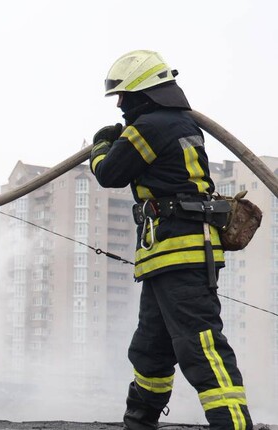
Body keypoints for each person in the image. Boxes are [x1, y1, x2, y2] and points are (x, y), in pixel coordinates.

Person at [89, 50, 252, 430]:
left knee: (202, 349)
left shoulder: (152, 126)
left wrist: (102, 145)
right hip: (167, 257)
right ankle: (140, 420)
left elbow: (110, 173)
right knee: (151, 348)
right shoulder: (175, 123)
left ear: (142, 92)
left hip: (181, 254)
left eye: (123, 96)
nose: (119, 104)